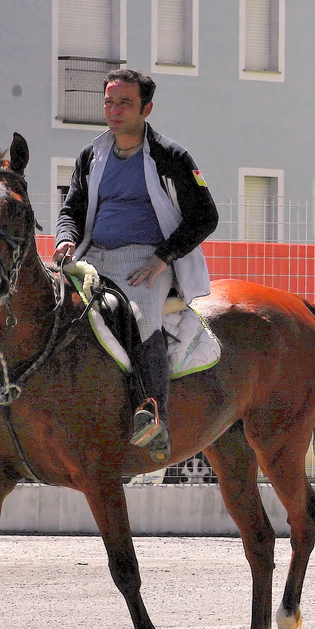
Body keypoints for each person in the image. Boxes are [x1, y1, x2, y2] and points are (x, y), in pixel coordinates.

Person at [54, 68, 218, 461]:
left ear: (146, 108)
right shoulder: (90, 155)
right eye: (109, 101)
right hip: (90, 256)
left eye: (124, 102)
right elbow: (71, 209)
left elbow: (205, 215)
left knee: (142, 317)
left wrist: (162, 258)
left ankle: (152, 415)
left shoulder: (172, 156)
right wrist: (64, 239)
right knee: (41, 303)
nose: (114, 110)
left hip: (144, 261)